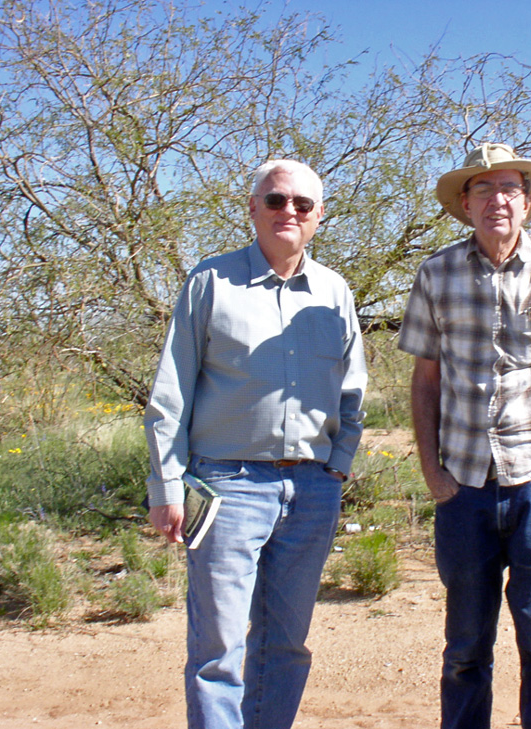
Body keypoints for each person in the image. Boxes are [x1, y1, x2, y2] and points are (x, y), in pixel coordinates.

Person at [144, 159, 367, 729]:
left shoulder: (334, 292)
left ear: (320, 215)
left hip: (312, 491)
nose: (287, 211)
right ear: (252, 209)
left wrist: (336, 469)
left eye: (302, 204)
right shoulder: (210, 282)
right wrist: (167, 485)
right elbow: (173, 391)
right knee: (218, 650)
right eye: (274, 200)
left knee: (286, 644)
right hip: (225, 486)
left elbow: (352, 393)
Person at [398, 143, 531, 729]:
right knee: (465, 651)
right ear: (465, 204)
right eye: (483, 189)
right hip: (463, 487)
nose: (497, 200)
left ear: (527, 201)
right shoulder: (436, 272)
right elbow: (425, 378)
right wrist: (433, 473)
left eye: (509, 188)